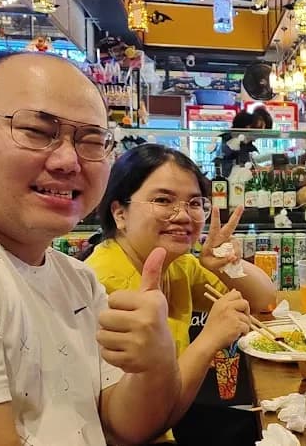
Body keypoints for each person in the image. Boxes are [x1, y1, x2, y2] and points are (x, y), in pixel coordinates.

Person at [0, 51, 180, 445]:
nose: (69, 160)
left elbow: (122, 426)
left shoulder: (77, 279)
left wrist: (155, 361)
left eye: (90, 140)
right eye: (36, 130)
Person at [84, 144, 277, 445]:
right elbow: (143, 422)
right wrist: (211, 337)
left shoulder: (177, 265)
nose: (183, 215)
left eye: (194, 203)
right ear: (120, 213)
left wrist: (227, 265)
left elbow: (263, 299)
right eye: (163, 200)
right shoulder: (106, 285)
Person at [220, 107, 273, 176]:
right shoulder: (228, 144)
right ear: (247, 127)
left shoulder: (246, 145)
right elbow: (231, 172)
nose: (260, 134)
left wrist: (267, 168)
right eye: (259, 130)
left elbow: (250, 166)